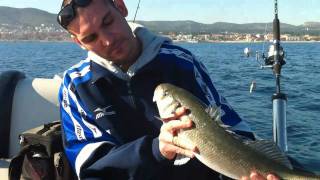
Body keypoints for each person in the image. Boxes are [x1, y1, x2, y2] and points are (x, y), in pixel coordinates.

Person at [57, 0, 279, 179]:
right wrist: (156, 150)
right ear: (79, 43)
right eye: (91, 37)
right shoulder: (75, 87)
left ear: (121, 7)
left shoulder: (181, 63)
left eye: (108, 22)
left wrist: (253, 169)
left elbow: (230, 126)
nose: (107, 40)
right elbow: (91, 168)